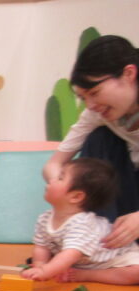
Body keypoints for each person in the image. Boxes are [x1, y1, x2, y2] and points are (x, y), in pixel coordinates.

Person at [44, 35, 139, 248]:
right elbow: (54, 164)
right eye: (84, 97)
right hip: (128, 194)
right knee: (99, 138)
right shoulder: (97, 112)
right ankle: (93, 241)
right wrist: (66, 192)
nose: (91, 105)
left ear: (129, 74)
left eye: (95, 93)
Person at [22, 157, 139, 284]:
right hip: (80, 261)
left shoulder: (82, 223)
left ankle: (87, 275)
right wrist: (39, 266)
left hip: (112, 259)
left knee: (136, 272)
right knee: (53, 259)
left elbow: (71, 253)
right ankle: (68, 268)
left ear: (76, 196)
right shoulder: (45, 218)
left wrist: (46, 271)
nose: (52, 179)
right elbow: (42, 247)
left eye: (60, 178)